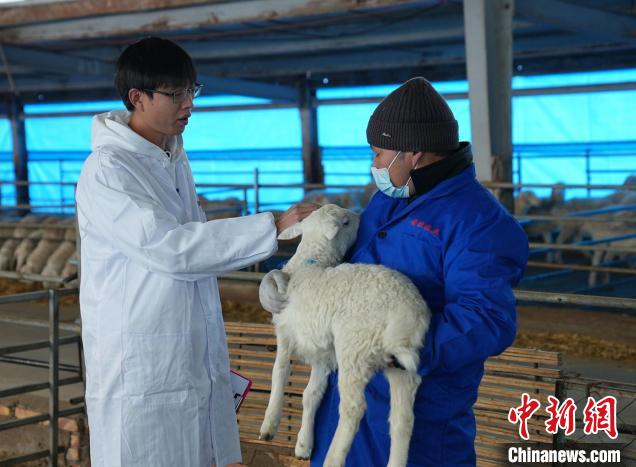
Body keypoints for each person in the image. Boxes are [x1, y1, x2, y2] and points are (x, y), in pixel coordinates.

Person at [260, 77, 529, 466]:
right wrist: (286, 283)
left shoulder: (478, 223)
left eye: (379, 152)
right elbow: (339, 265)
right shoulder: (387, 201)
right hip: (342, 411)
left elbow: (486, 320)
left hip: (417, 422)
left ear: (414, 153)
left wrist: (394, 346)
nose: (375, 165)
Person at [75, 37, 316, 467]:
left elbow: (195, 243)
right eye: (175, 93)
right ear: (137, 98)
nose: (188, 104)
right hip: (142, 364)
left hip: (186, 352)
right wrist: (274, 226)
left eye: (192, 91)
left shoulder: (171, 159)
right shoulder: (108, 170)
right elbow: (170, 249)